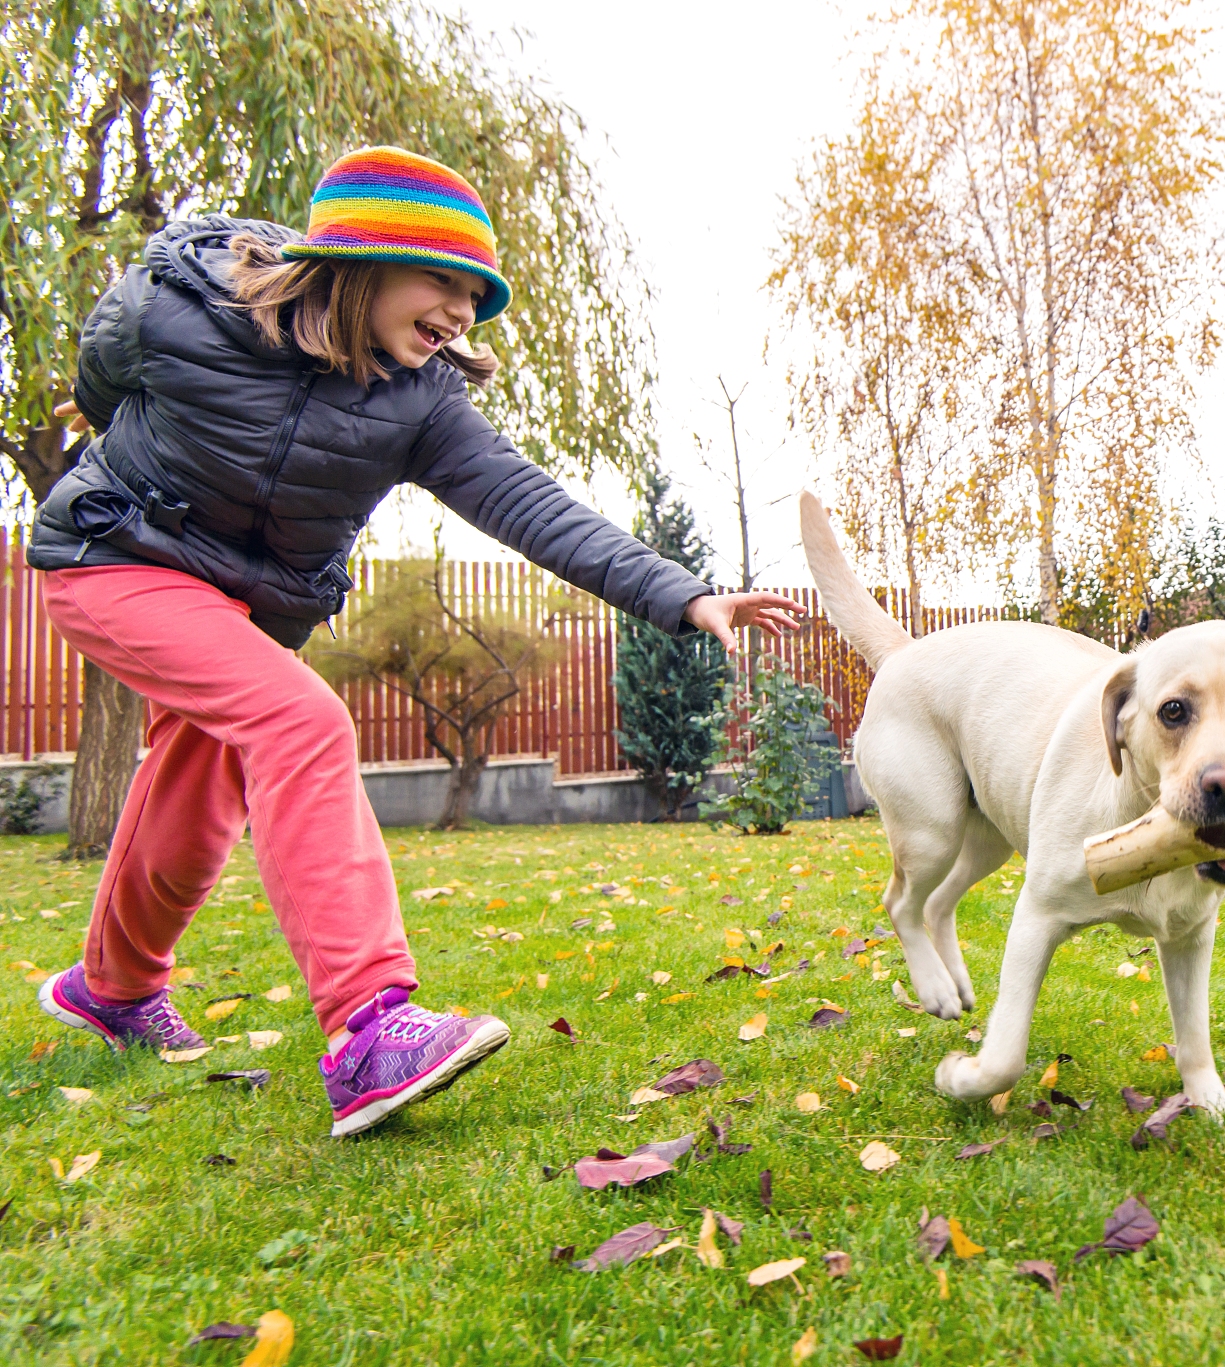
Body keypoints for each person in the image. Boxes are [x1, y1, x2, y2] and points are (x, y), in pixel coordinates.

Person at [31, 146, 801, 1137]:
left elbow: (533, 506)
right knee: (297, 720)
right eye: (442, 281)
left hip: (242, 611)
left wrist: (683, 595)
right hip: (113, 557)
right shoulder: (176, 308)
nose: (460, 314)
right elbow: (102, 379)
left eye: (476, 295)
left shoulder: (422, 400)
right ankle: (367, 1029)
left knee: (206, 768)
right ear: (359, 260)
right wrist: (99, 417)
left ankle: (115, 986)